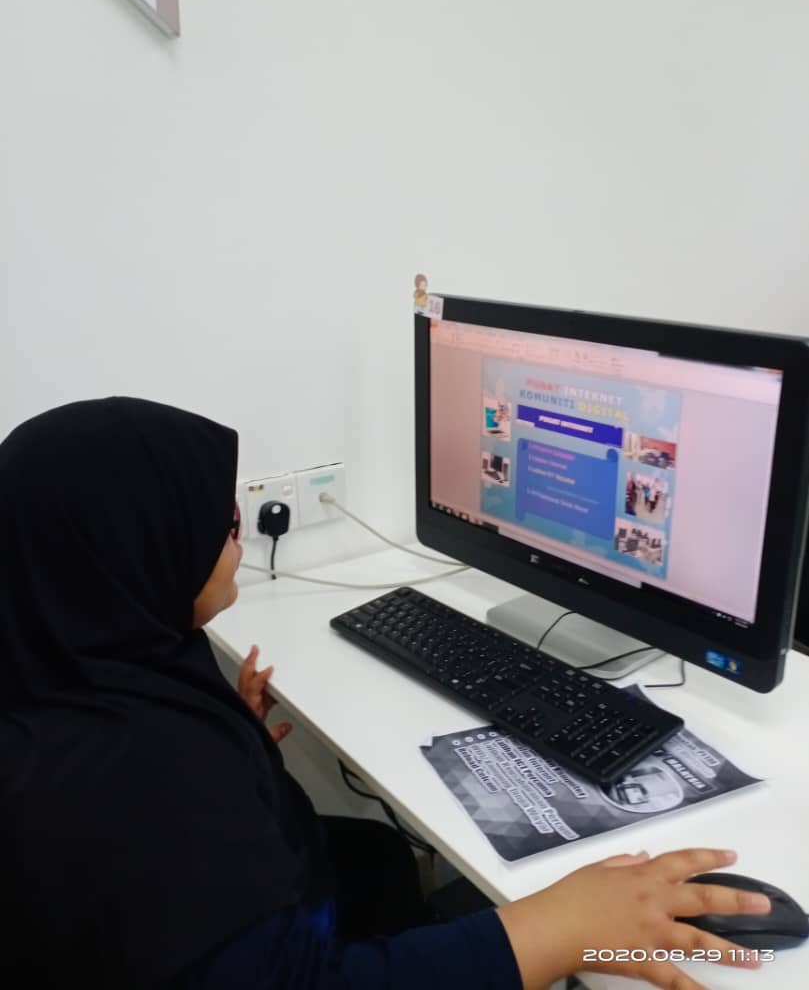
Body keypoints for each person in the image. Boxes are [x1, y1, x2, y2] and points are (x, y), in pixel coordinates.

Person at [0, 398, 771, 990]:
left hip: (293, 904)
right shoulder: (134, 779)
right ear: (132, 554)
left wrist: (227, 742)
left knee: (378, 855)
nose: (236, 534)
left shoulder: (70, 673)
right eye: (217, 520)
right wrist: (560, 930)